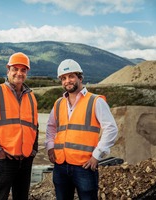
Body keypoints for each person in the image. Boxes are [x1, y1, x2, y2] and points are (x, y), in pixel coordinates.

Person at [45, 59, 118, 200]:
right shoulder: (59, 103)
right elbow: (51, 126)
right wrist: (50, 147)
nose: (67, 81)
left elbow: (111, 129)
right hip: (60, 166)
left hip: (84, 166)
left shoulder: (95, 101)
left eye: (71, 76)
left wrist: (97, 155)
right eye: (64, 78)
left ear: (80, 77)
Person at [0, 52, 39, 200]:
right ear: (8, 70)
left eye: (23, 70)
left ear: (27, 72)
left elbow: (34, 126)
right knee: (0, 197)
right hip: (3, 160)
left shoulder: (31, 96)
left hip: (25, 160)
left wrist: (33, 150)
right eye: (15, 69)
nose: (19, 73)